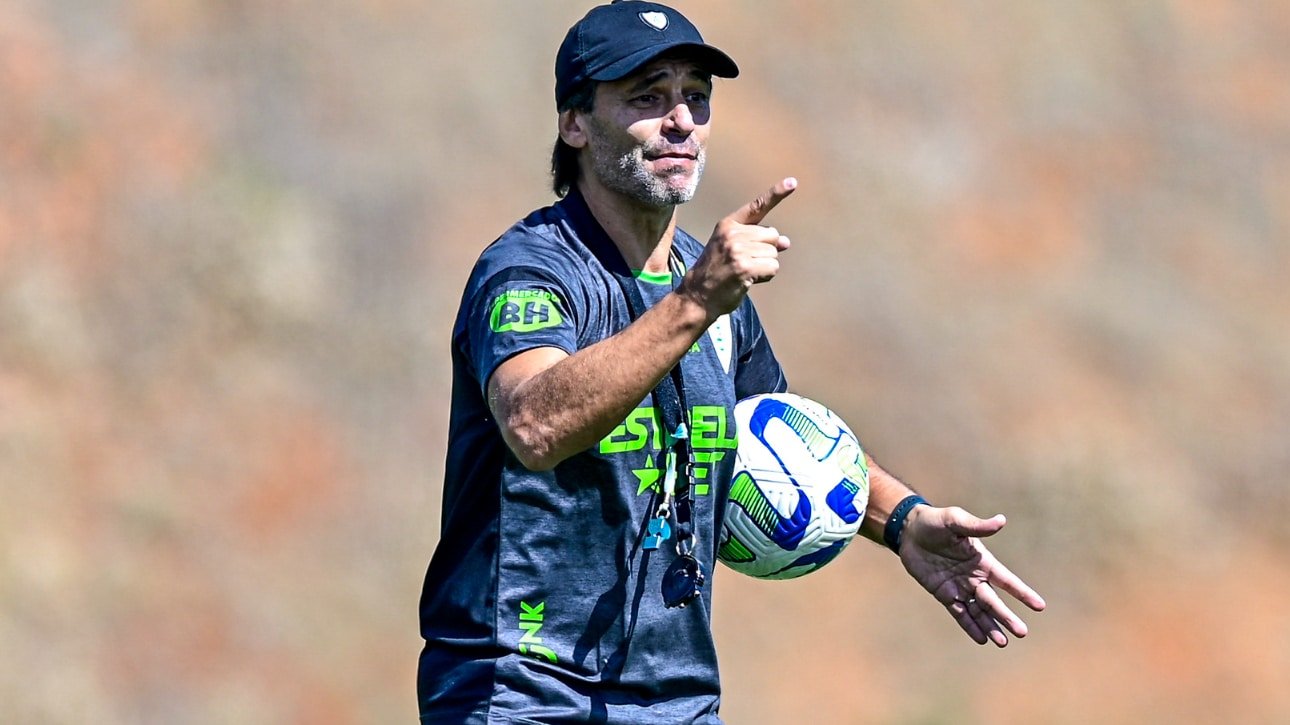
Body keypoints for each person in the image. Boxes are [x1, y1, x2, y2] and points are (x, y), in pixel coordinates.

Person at [417, 2, 1046, 722]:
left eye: (696, 97)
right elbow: (533, 426)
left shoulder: (707, 281)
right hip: (523, 691)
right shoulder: (531, 272)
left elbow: (778, 430)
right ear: (576, 123)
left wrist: (902, 519)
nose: (681, 119)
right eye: (648, 97)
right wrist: (693, 303)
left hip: (675, 697)